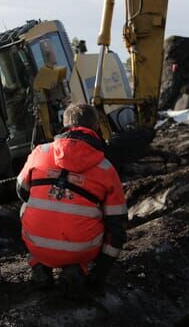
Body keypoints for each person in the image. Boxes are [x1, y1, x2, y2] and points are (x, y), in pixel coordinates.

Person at [16, 103, 127, 295]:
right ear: (95, 126)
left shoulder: (39, 152)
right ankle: (77, 268)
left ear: (65, 124)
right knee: (102, 218)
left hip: (37, 243)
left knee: (27, 207)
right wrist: (99, 275)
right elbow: (117, 226)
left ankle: (39, 265)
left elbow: (22, 192)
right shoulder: (106, 168)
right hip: (81, 249)